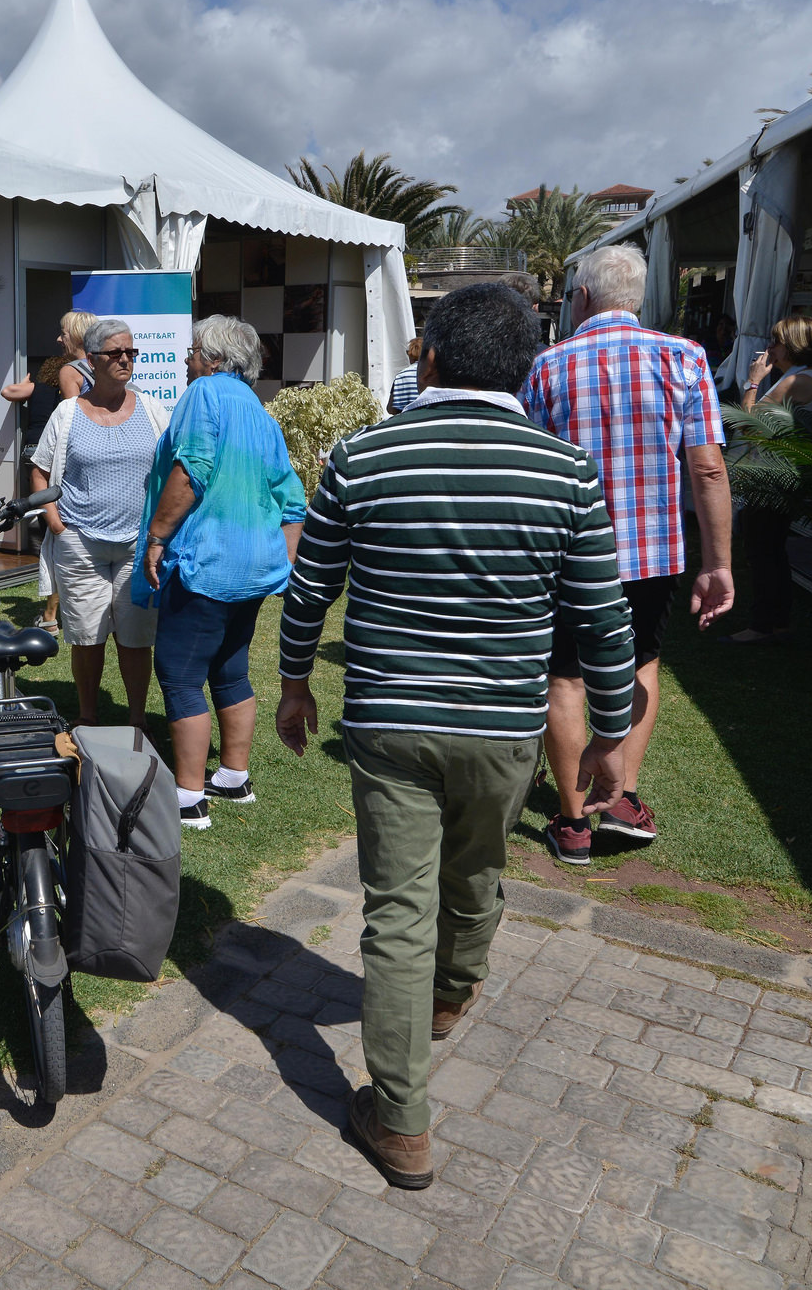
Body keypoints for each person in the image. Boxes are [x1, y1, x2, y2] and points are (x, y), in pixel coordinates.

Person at [275, 282, 635, 1189]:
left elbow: (309, 586)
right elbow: (603, 617)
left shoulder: (360, 458)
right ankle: (448, 993)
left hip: (390, 723)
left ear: (429, 355)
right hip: (503, 731)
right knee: (476, 878)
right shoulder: (567, 470)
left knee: (398, 914)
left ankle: (401, 1119)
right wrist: (611, 735)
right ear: (526, 368)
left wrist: (291, 685)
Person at [520, 243, 733, 864]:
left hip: (567, 552)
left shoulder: (547, 367)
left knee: (564, 675)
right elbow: (709, 471)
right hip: (653, 552)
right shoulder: (685, 358)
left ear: (581, 298)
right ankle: (621, 796)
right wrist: (717, 563)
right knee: (641, 662)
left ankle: (571, 820)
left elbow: (533, 470)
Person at [137, 316, 306, 828]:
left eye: (192, 353)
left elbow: (191, 474)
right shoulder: (259, 411)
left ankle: (189, 798)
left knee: (179, 673)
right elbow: (292, 499)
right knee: (230, 669)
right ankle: (234, 776)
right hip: (254, 567)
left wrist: (157, 538)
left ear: (212, 359)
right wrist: (282, 562)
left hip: (207, 562)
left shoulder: (203, 394)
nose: (187, 362)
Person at [29, 318, 167, 727]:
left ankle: (137, 719)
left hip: (136, 547)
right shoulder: (68, 413)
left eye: (131, 353)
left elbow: (173, 467)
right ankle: (87, 719)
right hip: (80, 543)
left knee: (136, 639)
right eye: (115, 353)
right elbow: (39, 469)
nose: (125, 360)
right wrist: (56, 524)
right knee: (87, 639)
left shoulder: (151, 408)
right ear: (91, 360)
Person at [725, 315, 812, 646]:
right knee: (771, 550)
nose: (770, 347)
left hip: (774, 480)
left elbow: (745, 423)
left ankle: (763, 624)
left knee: (761, 551)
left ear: (795, 346)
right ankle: (776, 622)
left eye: (777, 341)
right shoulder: (801, 377)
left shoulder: (797, 382)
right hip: (779, 475)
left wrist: (753, 382)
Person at [2, 310, 97, 632]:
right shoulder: (98, 372)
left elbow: (74, 423)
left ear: (79, 338)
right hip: (72, 467)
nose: (58, 339)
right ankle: (56, 612)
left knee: (58, 540)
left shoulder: (71, 371)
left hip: (64, 467)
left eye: (63, 333)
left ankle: (53, 616)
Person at [388, 337, 422, 415]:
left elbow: (391, 409)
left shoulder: (401, 376)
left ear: (410, 354)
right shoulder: (435, 375)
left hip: (406, 422)